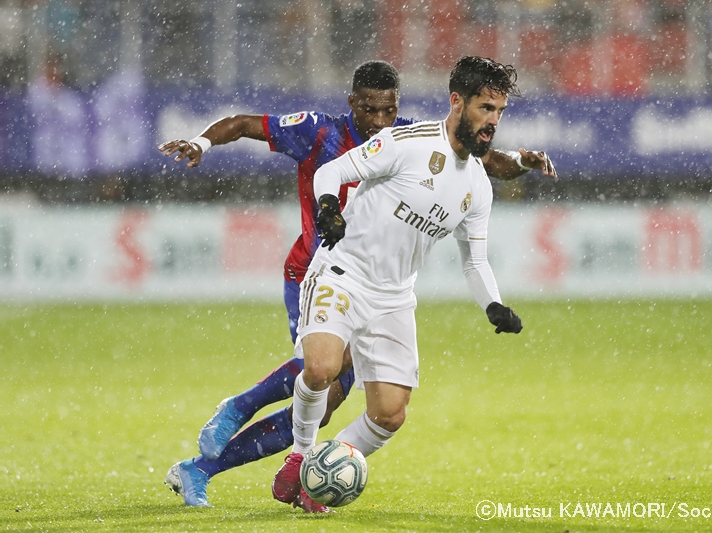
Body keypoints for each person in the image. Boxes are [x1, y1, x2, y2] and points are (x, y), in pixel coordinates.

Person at [160, 60, 556, 511]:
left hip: (391, 294)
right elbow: (246, 124)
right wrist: (201, 142)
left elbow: (486, 170)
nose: (380, 121)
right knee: (322, 368)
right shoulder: (327, 132)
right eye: (370, 110)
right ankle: (251, 418)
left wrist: (522, 164)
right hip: (323, 268)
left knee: (352, 407)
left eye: (388, 111)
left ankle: (230, 470)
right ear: (353, 104)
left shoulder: (437, 156)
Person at [271, 56, 524, 512]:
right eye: (486, 108)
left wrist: (494, 306)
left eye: (500, 112)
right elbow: (332, 172)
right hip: (343, 272)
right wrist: (329, 207)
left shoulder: (479, 186)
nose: (493, 121)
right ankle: (300, 455)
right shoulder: (407, 142)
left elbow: (476, 262)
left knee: (390, 414)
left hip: (394, 298)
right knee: (322, 367)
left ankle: (319, 478)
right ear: (456, 101)